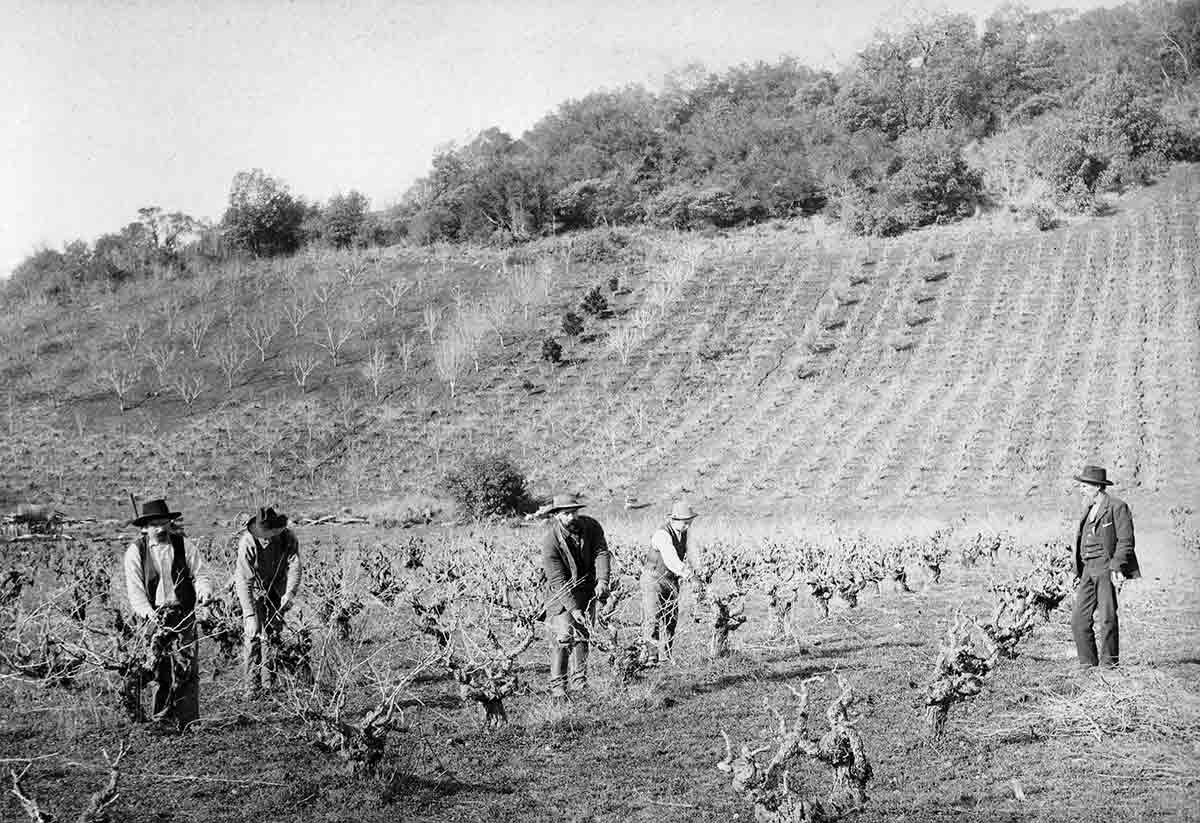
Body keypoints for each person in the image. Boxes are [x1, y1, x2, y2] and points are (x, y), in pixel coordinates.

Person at [123, 498, 213, 730]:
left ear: (170, 523)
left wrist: (204, 592)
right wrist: (148, 614)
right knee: (160, 670)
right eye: (154, 525)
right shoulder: (135, 552)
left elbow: (200, 574)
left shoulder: (184, 545)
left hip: (183, 614)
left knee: (188, 667)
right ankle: (161, 721)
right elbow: (136, 591)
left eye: (164, 523)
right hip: (152, 617)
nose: (161, 529)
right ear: (145, 527)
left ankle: (189, 721)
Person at [540, 493, 610, 698]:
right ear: (556, 516)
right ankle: (558, 687)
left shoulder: (592, 527)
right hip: (561, 594)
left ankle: (580, 682)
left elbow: (601, 552)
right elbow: (557, 580)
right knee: (563, 638)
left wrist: (603, 580)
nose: (571, 517)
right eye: (566, 513)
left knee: (583, 635)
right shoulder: (550, 541)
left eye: (574, 512)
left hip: (586, 589)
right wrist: (574, 608)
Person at [1070, 465, 1140, 668]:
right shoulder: (1088, 509)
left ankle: (1109, 665)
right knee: (1078, 620)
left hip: (1106, 568)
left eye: (1084, 485)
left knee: (1108, 618)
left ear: (1097, 487)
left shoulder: (1118, 507)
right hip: (1087, 570)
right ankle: (1087, 665)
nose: (1081, 489)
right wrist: (1076, 568)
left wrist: (1116, 568)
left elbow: (1126, 541)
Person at [234, 506, 302, 698]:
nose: (265, 537)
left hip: (277, 590)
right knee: (253, 635)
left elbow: (295, 566)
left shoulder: (288, 538)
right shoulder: (247, 542)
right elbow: (244, 579)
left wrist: (290, 593)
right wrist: (248, 614)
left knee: (272, 633)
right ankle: (251, 687)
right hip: (252, 590)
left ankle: (268, 683)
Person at [641, 501, 700, 663]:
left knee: (671, 618)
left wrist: (699, 572)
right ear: (674, 519)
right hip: (653, 578)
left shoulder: (685, 534)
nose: (688, 526)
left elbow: (692, 553)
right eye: (685, 523)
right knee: (652, 617)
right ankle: (650, 657)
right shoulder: (662, 534)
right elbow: (671, 559)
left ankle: (665, 656)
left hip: (671, 580)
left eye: (690, 523)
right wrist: (689, 575)